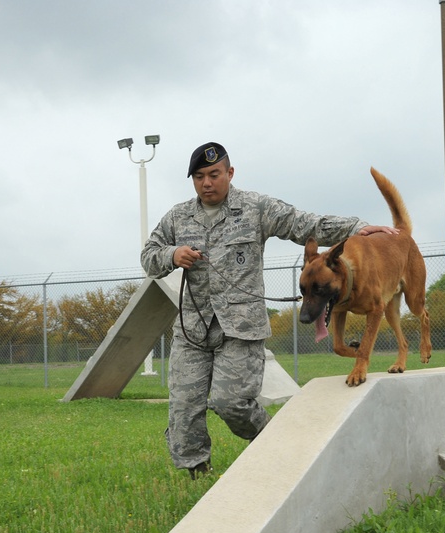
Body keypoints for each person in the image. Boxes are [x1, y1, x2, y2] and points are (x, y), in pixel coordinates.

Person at [140, 141, 397, 478]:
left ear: (229, 173)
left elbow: (303, 223)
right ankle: (197, 474)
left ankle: (278, 445)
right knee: (184, 409)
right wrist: (171, 255)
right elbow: (148, 256)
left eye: (214, 174)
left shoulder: (254, 207)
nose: (207, 183)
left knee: (230, 404)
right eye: (199, 177)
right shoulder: (177, 217)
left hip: (240, 328)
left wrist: (355, 228)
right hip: (194, 329)